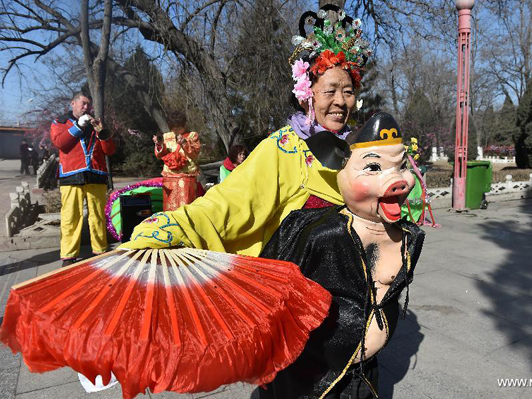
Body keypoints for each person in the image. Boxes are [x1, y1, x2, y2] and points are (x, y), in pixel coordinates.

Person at [120, 4, 372, 255]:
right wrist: (176, 225)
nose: (340, 101)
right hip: (305, 286)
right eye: (329, 91)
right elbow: (232, 201)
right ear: (306, 95)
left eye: (348, 91)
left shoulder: (361, 150)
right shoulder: (285, 148)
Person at [259, 113, 425, 398]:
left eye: (400, 166)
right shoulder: (321, 235)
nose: (396, 180)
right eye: (373, 167)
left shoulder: (410, 237)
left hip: (365, 373)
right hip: (312, 379)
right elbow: (274, 295)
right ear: (339, 164)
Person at [50, 92, 115, 266]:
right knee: (71, 216)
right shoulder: (60, 122)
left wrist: (102, 131)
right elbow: (60, 144)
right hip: (71, 175)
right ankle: (69, 255)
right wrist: (78, 126)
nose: (87, 107)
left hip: (96, 174)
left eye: (89, 104)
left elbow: (109, 150)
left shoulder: (96, 123)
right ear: (73, 103)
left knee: (98, 216)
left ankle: (100, 250)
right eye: (83, 104)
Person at [153, 110, 203, 211]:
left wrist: (184, 143)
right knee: (169, 206)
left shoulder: (192, 135)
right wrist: (159, 145)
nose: (176, 131)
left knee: (186, 205)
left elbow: (195, 154)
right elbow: (160, 155)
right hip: (169, 177)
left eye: (179, 128)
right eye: (174, 128)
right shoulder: (166, 136)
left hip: (186, 176)